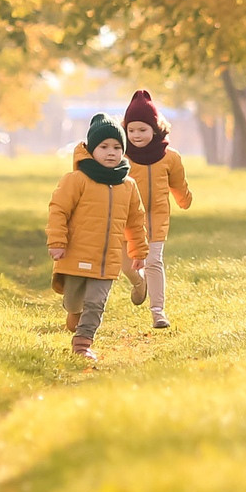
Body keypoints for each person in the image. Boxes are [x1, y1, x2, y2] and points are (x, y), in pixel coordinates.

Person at [47, 114, 149, 361]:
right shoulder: (77, 180)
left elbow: (136, 221)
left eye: (116, 147)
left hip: (107, 260)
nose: (111, 152)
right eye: (103, 147)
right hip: (76, 255)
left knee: (96, 303)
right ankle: (74, 316)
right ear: (92, 150)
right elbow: (58, 210)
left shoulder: (128, 185)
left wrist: (138, 252)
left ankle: (82, 344)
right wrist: (57, 242)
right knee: (74, 303)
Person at [120, 89, 191, 330]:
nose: (136, 135)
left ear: (155, 128)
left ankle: (158, 312)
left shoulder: (169, 157)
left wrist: (184, 200)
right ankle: (138, 283)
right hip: (127, 219)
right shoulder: (122, 156)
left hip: (157, 217)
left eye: (142, 130)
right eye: (131, 130)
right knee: (127, 264)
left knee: (153, 261)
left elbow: (178, 184)